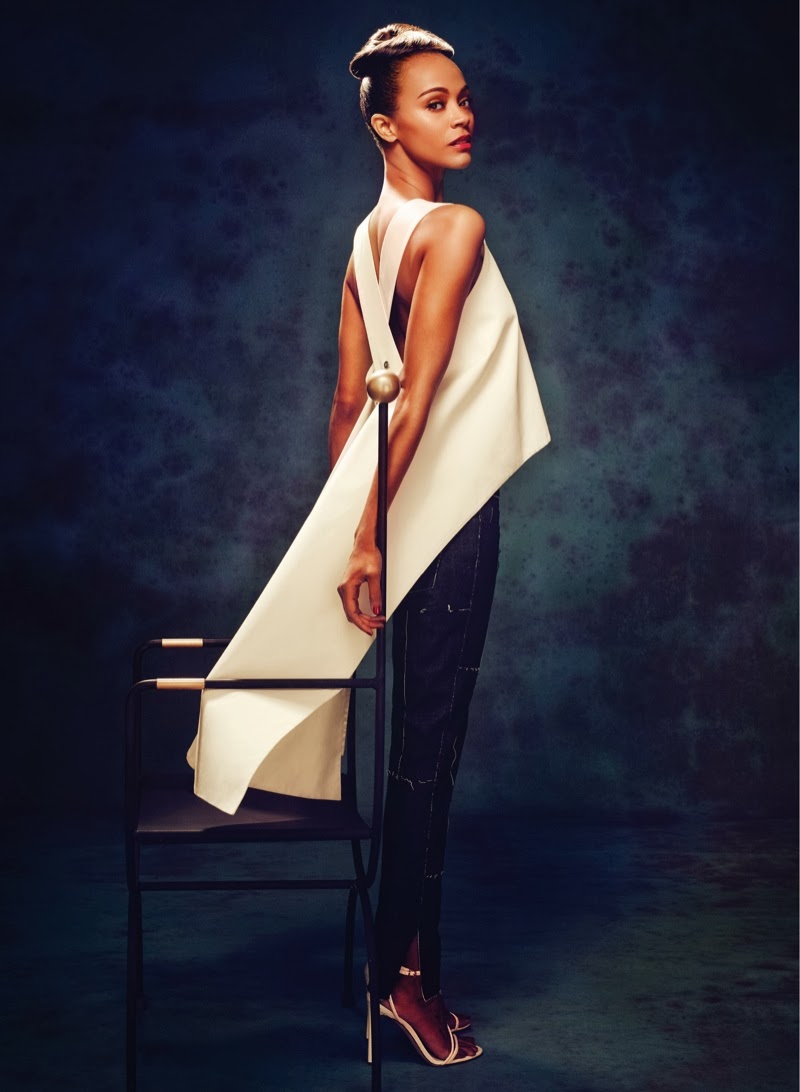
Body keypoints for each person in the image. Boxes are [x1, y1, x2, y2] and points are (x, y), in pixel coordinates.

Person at [328, 23, 550, 1067]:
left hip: (389, 519)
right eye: (433, 102)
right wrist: (366, 540)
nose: (462, 115)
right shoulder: (451, 227)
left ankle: (401, 972)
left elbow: (347, 411)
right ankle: (402, 985)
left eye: (462, 97)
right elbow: (405, 400)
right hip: (442, 521)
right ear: (384, 125)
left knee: (410, 754)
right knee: (428, 760)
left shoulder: (365, 242)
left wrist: (346, 535)